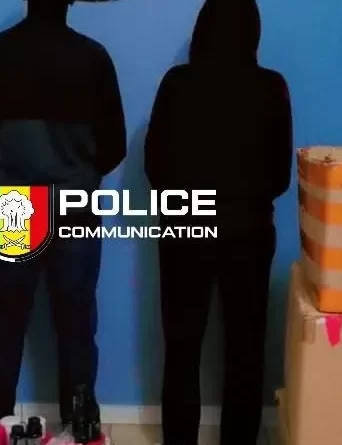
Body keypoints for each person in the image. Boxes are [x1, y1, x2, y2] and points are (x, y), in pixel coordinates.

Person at [0, 0, 126, 438]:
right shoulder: (93, 58)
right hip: (76, 203)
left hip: (13, 201)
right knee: (76, 325)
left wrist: (10, 172)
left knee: (6, 320)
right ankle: (80, 429)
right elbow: (115, 146)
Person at [143, 0, 293, 444]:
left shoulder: (177, 83)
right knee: (245, 351)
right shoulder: (271, 87)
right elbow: (280, 176)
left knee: (182, 348)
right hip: (248, 230)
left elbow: (155, 164)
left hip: (184, 229)